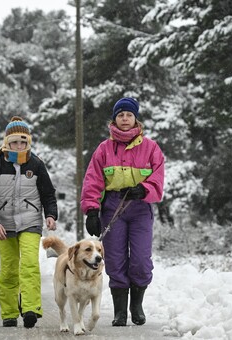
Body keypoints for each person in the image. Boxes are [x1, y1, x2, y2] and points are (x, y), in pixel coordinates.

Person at [80, 97, 164, 327]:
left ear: (135, 118)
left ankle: (136, 306)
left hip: (139, 207)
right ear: (114, 119)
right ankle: (120, 312)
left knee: (140, 259)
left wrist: (144, 188)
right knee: (115, 259)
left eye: (129, 115)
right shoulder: (104, 149)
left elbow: (157, 178)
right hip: (113, 207)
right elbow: (93, 180)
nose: (125, 119)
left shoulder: (150, 147)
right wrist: (92, 210)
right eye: (120, 115)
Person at [0, 116, 58, 328]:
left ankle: (31, 309)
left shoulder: (36, 164)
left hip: (30, 223)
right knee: (9, 270)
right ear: (7, 143)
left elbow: (48, 194)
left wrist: (51, 215)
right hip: (3, 226)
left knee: (30, 265)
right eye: (15, 142)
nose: (19, 146)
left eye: (23, 142)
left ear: (28, 142)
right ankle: (10, 313)